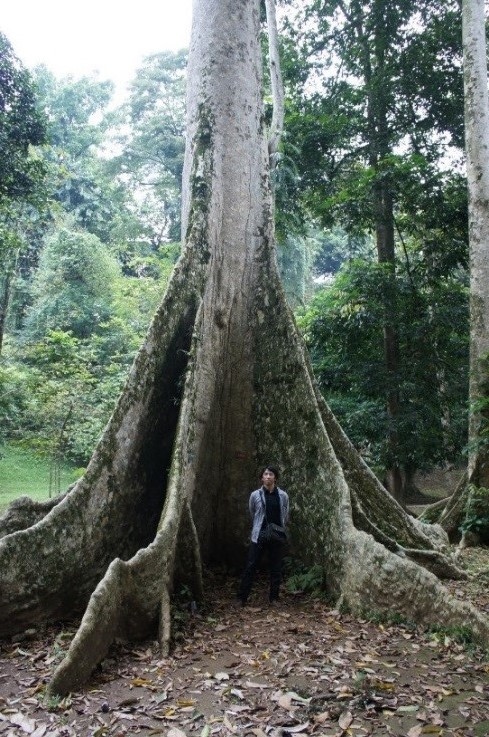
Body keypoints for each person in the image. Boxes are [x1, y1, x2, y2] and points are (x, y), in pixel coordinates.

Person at [238, 465, 289, 606]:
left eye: (271, 474)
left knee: (276, 568)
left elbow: (285, 514)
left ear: (275, 478)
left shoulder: (283, 495)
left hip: (276, 535)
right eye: (265, 474)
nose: (268, 476)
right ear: (261, 478)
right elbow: (253, 512)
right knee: (251, 566)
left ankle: (274, 598)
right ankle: (242, 598)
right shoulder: (255, 495)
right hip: (259, 535)